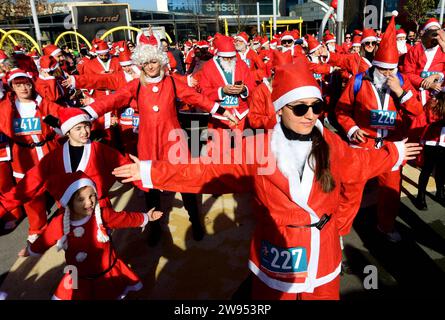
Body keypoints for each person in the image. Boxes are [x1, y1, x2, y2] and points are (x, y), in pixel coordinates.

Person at [112, 59, 421, 300]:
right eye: (300, 107)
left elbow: (360, 163)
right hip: (277, 255)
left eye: (316, 106)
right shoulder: (256, 148)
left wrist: (393, 154)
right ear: (280, 110)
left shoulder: (331, 144)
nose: (310, 115)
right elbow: (206, 171)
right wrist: (152, 172)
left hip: (323, 255)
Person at [79, 38, 237, 245]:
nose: (151, 67)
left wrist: (223, 111)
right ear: (141, 65)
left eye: (154, 62)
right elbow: (112, 100)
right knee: (151, 190)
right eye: (146, 63)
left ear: (160, 61)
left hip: (174, 143)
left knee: (186, 184)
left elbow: (195, 98)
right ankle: (154, 226)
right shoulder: (135, 85)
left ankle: (195, 221)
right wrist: (86, 112)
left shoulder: (171, 82)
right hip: (148, 145)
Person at [336, 13, 423, 242]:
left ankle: (385, 225)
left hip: (390, 147)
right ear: (375, 67)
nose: (387, 75)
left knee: (390, 193)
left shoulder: (401, 83)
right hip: (362, 145)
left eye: (391, 70)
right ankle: (338, 232)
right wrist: (352, 129)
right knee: (350, 191)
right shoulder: (359, 81)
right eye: (383, 70)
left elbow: (417, 112)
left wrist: (401, 93)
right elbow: (341, 111)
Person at [0, 107, 143, 245]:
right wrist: (3, 207)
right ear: (67, 132)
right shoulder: (53, 158)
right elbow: (30, 183)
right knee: (76, 254)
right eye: (78, 128)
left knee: (104, 250)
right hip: (69, 216)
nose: (85, 132)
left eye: (86, 126)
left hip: (98, 211)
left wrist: (149, 181)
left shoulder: (102, 150)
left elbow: (126, 169)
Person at [21, 171, 163, 300]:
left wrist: (145, 217)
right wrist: (31, 250)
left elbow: (125, 218)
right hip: (78, 277)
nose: (89, 202)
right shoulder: (60, 223)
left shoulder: (103, 215)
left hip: (106, 275)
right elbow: (45, 239)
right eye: (81, 199)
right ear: (69, 202)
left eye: (92, 195)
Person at [0, 69, 62, 241]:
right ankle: (37, 229)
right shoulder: (6, 107)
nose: (24, 88)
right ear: (12, 87)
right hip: (23, 157)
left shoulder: (43, 103)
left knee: (60, 187)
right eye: (18, 85)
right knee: (30, 195)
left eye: (26, 84)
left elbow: (61, 118)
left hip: (48, 151)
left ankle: (70, 219)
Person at [415, 90, 445, 209]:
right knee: (427, 169)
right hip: (431, 142)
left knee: (442, 169)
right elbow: (430, 119)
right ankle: (420, 196)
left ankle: (440, 192)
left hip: (443, 141)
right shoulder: (433, 101)